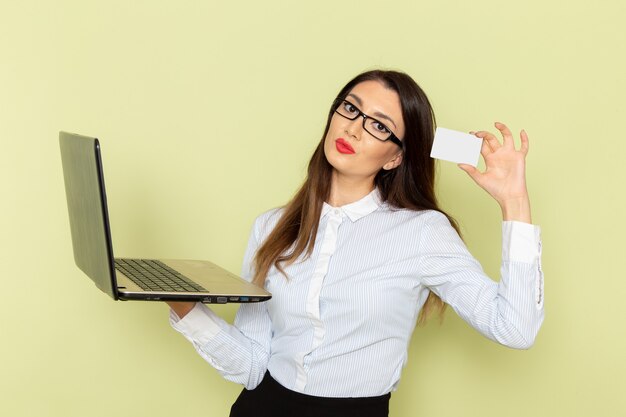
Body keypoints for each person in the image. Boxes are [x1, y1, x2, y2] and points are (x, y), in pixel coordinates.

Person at [166, 69, 544, 417]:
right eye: (350, 109)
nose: (354, 129)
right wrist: (181, 302)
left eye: (379, 126)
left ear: (395, 157)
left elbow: (515, 328)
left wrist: (514, 201)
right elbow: (250, 365)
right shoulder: (271, 226)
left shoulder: (422, 232)